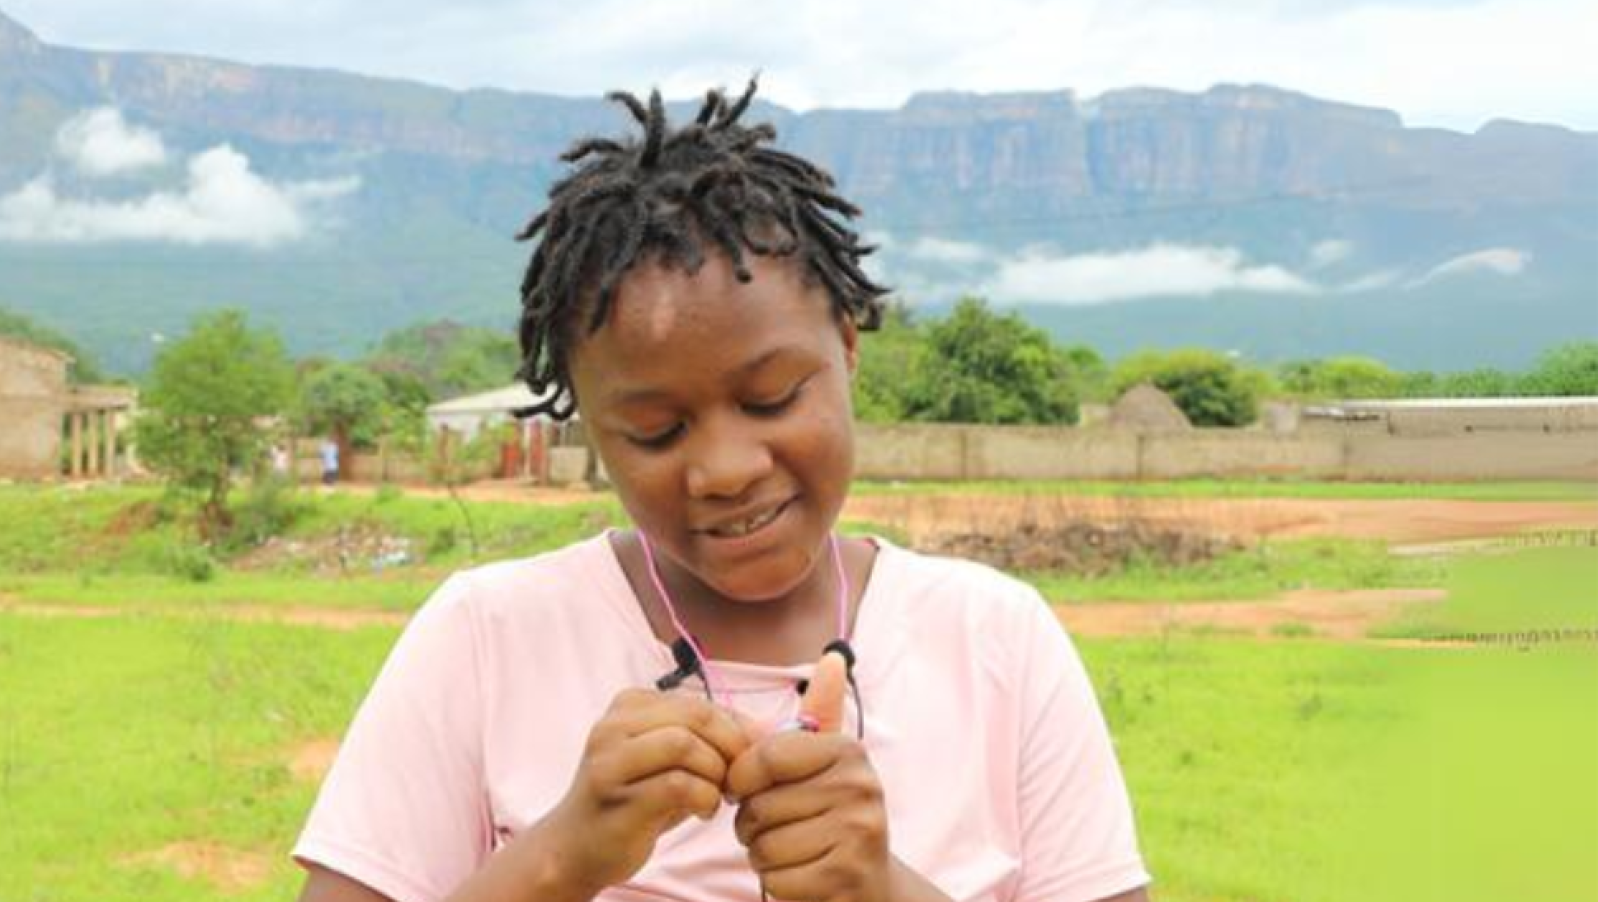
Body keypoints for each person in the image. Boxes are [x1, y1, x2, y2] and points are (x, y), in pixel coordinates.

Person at [292, 80, 1151, 902]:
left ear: (847, 349)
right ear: (591, 428)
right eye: (656, 432)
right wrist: (561, 858)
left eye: (772, 398)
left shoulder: (996, 641)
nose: (726, 469)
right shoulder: (485, 636)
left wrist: (880, 887)